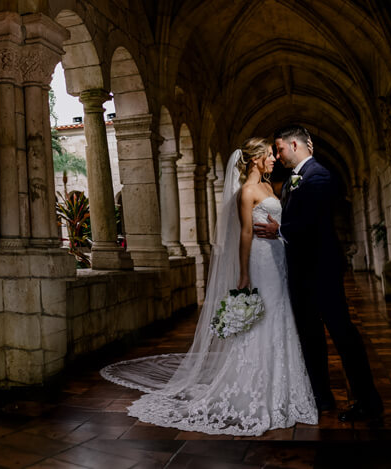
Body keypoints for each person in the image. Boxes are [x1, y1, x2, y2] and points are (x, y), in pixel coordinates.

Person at [101, 138, 317, 435]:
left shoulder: (269, 188)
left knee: (281, 317)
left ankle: (283, 387)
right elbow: (244, 234)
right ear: (254, 159)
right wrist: (243, 273)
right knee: (261, 319)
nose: (273, 159)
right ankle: (253, 389)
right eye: (268, 155)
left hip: (278, 258)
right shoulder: (248, 192)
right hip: (260, 262)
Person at [258, 124, 383, 424]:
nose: (277, 154)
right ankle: (321, 396)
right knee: (310, 337)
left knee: (342, 334)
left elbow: (310, 222)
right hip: (300, 274)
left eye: (280, 148)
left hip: (322, 272)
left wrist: (280, 229)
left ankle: (368, 400)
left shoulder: (319, 176)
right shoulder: (292, 181)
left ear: (296, 145)